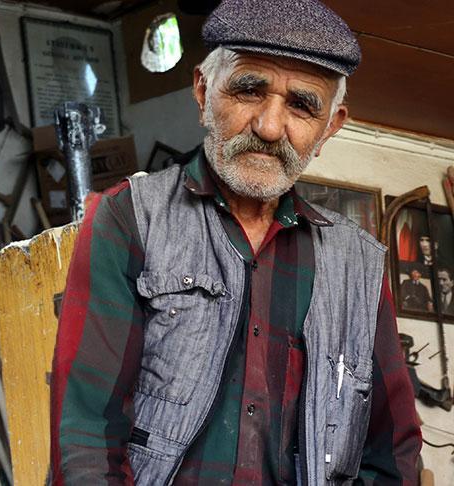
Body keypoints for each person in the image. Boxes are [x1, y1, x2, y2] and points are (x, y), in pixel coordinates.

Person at [49, 1, 421, 484]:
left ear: (330, 126)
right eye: (249, 89)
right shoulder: (130, 218)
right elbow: (86, 435)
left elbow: (394, 456)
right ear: (203, 91)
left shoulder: (358, 264)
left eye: (302, 105)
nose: (268, 127)